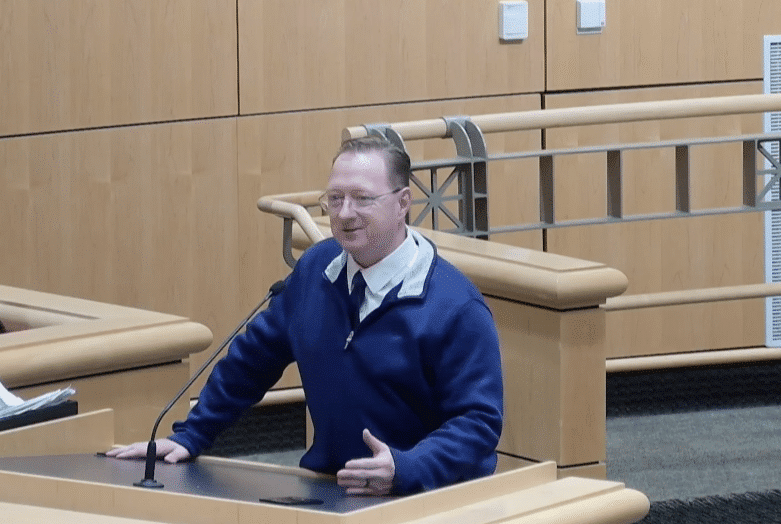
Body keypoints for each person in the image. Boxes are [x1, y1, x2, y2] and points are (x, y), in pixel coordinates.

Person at [108, 136, 504, 496]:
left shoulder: (455, 306)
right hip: (330, 489)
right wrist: (192, 434)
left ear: (403, 203)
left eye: (362, 199)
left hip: (425, 497)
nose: (345, 214)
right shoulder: (316, 269)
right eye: (335, 199)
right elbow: (252, 360)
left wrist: (406, 468)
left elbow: (477, 423)